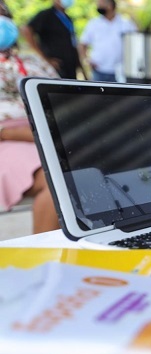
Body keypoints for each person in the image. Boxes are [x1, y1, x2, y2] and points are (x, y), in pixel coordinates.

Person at [0, 2, 59, 234]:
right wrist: (11, 133)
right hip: (8, 139)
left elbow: (62, 96)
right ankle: (44, 265)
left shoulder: (33, 62)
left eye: (3, 14)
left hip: (47, 130)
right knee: (57, 179)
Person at [21, 0, 83, 79]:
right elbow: (27, 30)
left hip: (70, 65)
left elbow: (73, 41)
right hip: (57, 66)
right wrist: (45, 59)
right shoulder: (46, 15)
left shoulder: (68, 18)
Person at [79, 0, 137, 82]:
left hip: (119, 72)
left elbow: (135, 44)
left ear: (110, 5)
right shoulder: (93, 23)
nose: (98, 6)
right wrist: (86, 60)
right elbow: (83, 44)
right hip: (98, 70)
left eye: (101, 3)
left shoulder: (126, 23)